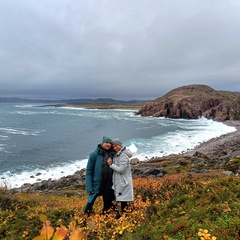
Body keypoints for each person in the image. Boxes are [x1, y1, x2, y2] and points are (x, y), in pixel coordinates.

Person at [84, 136, 115, 214]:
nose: (108, 144)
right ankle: (86, 219)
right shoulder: (94, 154)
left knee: (108, 205)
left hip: (108, 184)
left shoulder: (113, 154)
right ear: (102, 143)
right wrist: (89, 187)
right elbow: (89, 171)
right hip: (97, 184)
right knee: (89, 204)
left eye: (110, 143)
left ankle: (105, 220)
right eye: (106, 142)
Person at [107, 138, 134, 214]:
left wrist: (111, 165)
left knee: (123, 201)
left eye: (116, 146)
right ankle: (122, 214)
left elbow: (121, 170)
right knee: (121, 200)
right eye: (113, 147)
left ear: (120, 145)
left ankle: (125, 216)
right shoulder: (117, 154)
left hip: (123, 181)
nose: (115, 148)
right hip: (119, 180)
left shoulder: (123, 156)